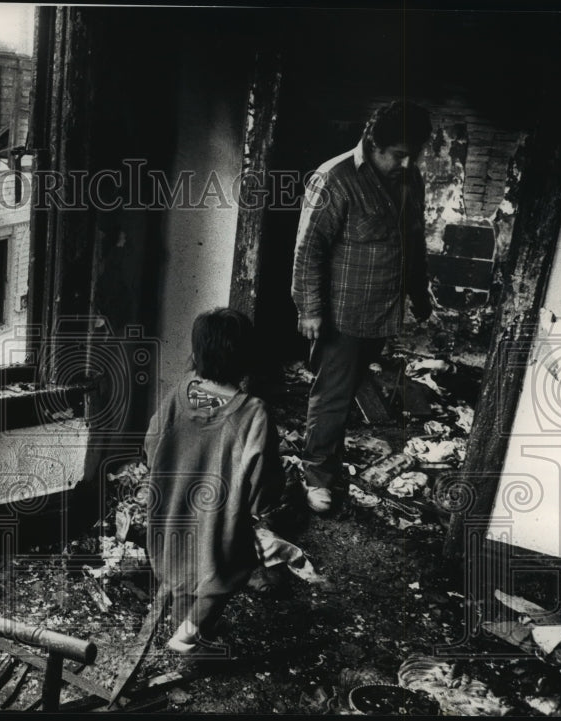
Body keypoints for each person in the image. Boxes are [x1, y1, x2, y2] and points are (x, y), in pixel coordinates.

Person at [291, 100, 434, 513]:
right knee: (332, 395)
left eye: (414, 154)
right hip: (341, 314)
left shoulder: (410, 180)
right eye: (399, 154)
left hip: (382, 311)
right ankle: (315, 475)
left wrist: (420, 294)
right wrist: (310, 309)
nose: (408, 163)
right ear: (373, 143)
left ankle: (329, 453)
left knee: (351, 388)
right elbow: (308, 249)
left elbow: (413, 242)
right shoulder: (334, 179)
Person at [143, 308, 289, 653]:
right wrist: (264, 504)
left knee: (181, 570)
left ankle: (183, 621)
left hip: (170, 511)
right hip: (219, 522)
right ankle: (186, 637)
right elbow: (263, 479)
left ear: (197, 354)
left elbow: (151, 443)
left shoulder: (181, 393)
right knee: (220, 580)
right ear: (247, 360)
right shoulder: (252, 412)